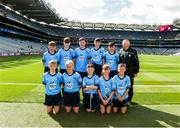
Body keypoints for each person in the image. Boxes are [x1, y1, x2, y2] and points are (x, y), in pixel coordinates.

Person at [119, 39, 139, 105]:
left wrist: (136, 71)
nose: (125, 45)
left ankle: (129, 100)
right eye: (124, 44)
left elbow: (137, 62)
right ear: (122, 44)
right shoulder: (121, 51)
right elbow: (119, 62)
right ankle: (123, 99)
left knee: (130, 87)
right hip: (122, 72)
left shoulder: (133, 51)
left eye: (126, 44)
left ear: (129, 44)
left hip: (130, 72)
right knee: (123, 86)